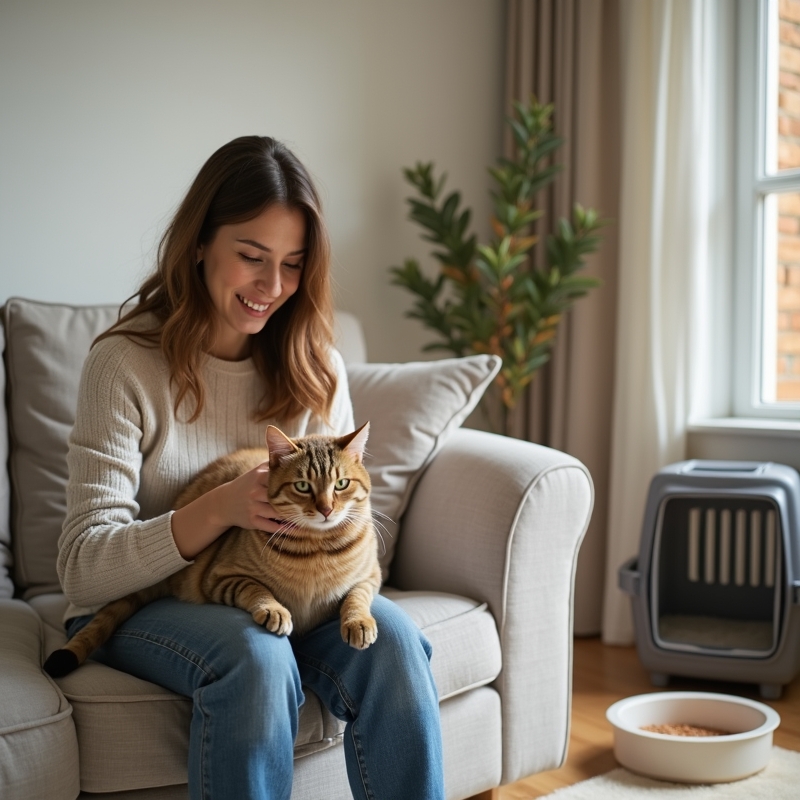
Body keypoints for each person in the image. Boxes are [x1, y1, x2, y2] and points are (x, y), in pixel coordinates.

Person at [56, 136, 445, 800]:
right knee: (256, 657)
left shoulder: (313, 360)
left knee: (398, 644)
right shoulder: (122, 364)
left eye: (293, 264)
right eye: (252, 257)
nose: (273, 287)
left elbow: (342, 504)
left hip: (288, 596)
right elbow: (83, 567)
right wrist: (220, 509)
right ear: (200, 243)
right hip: (156, 602)